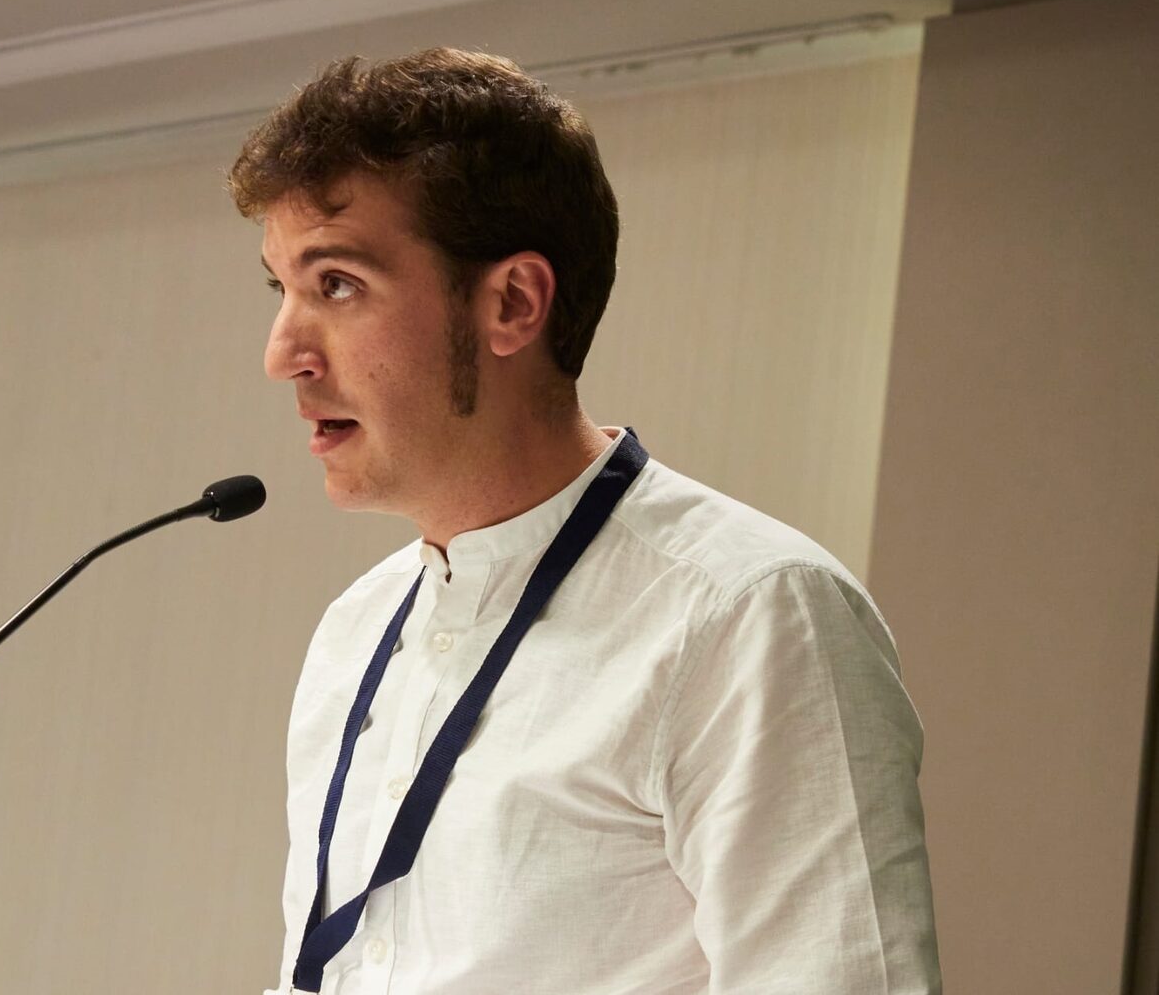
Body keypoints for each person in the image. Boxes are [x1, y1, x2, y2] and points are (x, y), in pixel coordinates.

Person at [229, 48, 941, 995]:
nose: (283, 354)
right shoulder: (353, 633)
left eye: (337, 285)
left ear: (513, 303)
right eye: (280, 290)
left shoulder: (750, 614)